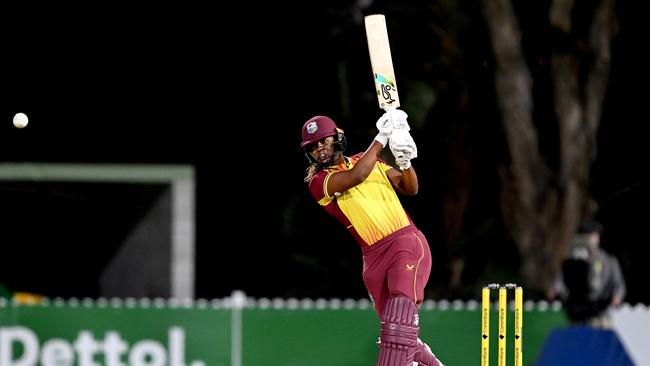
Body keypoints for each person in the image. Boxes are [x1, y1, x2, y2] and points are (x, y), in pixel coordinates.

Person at [300, 110, 444, 366]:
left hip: (404, 243)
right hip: (373, 260)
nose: (320, 148)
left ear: (337, 137)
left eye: (324, 140)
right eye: (313, 146)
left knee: (400, 320)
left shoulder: (373, 162)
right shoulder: (319, 181)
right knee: (395, 331)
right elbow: (356, 177)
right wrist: (382, 137)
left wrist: (405, 162)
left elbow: (410, 188)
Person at [550, 220, 626, 328]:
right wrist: (556, 290)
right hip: (577, 313)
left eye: (594, 236)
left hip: (601, 312)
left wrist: (616, 297)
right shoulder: (573, 261)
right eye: (587, 236)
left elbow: (619, 285)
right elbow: (561, 281)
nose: (590, 240)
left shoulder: (608, 260)